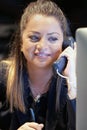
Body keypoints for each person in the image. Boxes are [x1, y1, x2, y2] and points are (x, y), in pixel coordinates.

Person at [0, 0, 77, 130]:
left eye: (52, 38)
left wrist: (72, 84)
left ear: (65, 44)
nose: (42, 46)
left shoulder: (75, 82)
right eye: (34, 38)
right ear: (21, 43)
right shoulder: (3, 76)